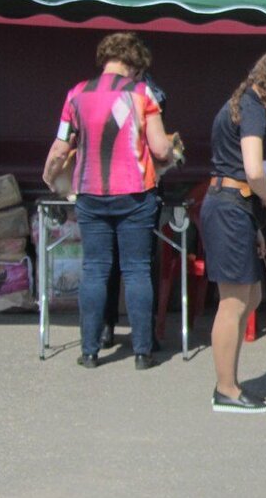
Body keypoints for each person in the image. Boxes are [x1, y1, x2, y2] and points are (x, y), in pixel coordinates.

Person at [41, 32, 174, 370]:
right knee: (137, 270)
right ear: (134, 64)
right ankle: (143, 352)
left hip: (90, 193)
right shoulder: (142, 94)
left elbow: (60, 146)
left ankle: (89, 352)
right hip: (134, 192)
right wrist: (173, 150)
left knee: (95, 270)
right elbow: (159, 149)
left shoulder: (76, 94)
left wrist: (48, 175)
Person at [203, 37, 266, 414]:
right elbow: (251, 167)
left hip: (233, 206)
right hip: (232, 203)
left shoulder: (243, 101)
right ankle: (226, 389)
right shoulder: (253, 106)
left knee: (252, 297)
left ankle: (228, 382)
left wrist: (257, 226)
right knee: (233, 302)